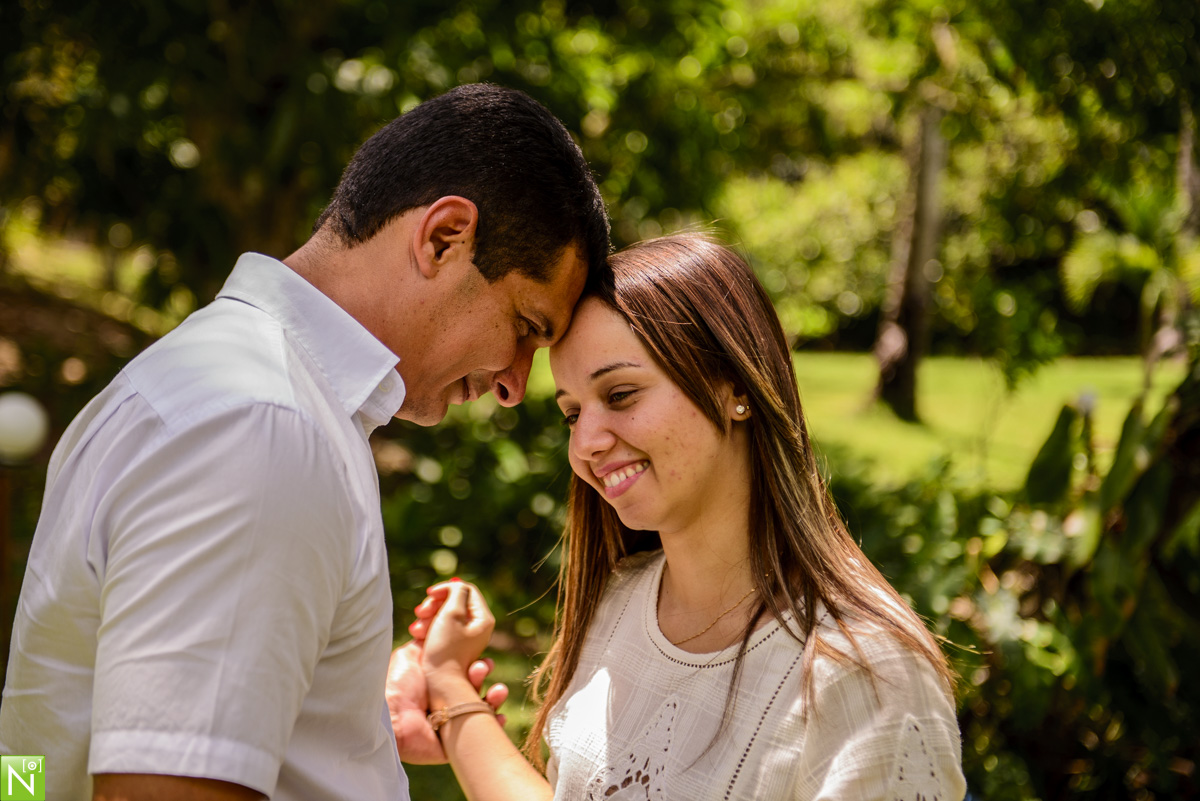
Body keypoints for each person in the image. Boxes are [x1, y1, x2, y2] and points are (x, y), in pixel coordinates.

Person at [0, 83, 610, 801]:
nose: (514, 383)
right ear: (444, 236)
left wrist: (338, 727)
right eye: (527, 326)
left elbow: (32, 750)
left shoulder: (207, 379)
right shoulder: (262, 427)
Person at [404, 233, 967, 800]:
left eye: (621, 394)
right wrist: (448, 680)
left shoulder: (866, 680)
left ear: (735, 389)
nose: (586, 444)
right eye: (571, 413)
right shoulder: (617, 603)